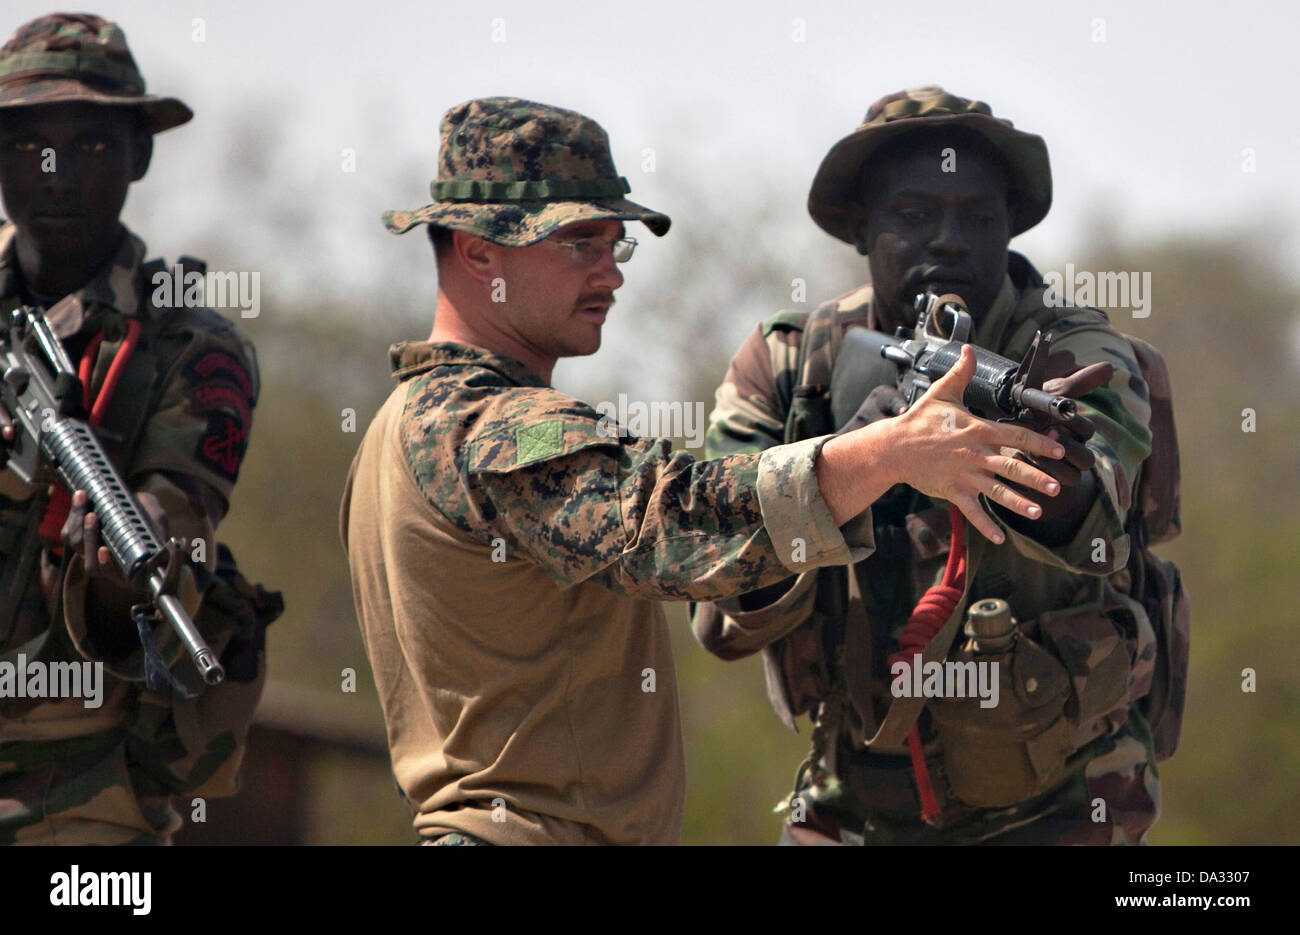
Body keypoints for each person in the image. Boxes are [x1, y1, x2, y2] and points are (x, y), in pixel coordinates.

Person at [339, 96, 1069, 845]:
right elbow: (672, 522)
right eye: (577, 243)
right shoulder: (493, 430)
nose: (610, 275)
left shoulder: (399, 425)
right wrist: (886, 452)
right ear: (477, 250)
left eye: (613, 246)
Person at [692, 86, 1177, 845]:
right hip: (850, 804)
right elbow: (718, 605)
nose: (948, 241)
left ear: (1010, 224)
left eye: (978, 216)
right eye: (914, 215)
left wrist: (1026, 450)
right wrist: (850, 465)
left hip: (1062, 804)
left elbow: (1098, 522)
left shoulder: (1075, 353)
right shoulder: (789, 362)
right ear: (859, 226)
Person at [0, 13, 277, 845]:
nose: (55, 172)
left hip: (76, 791)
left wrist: (132, 561)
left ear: (139, 153)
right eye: (27, 144)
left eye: (89, 144)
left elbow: (175, 544)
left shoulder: (188, 346)